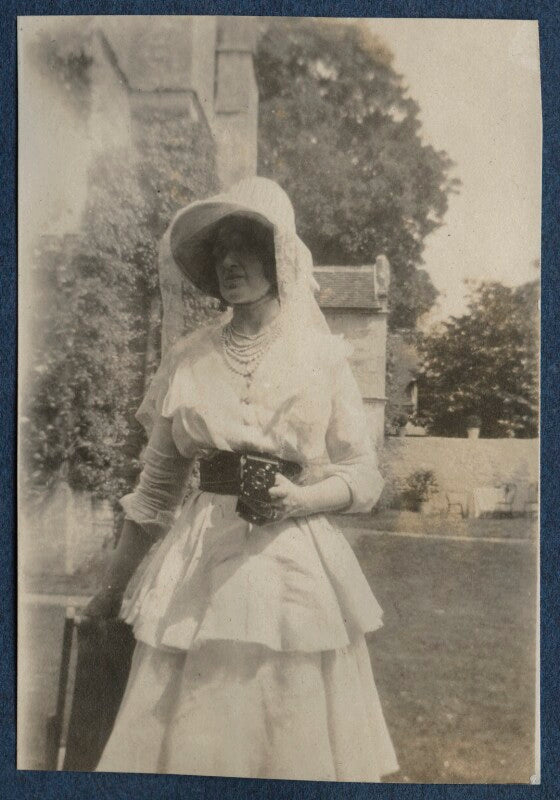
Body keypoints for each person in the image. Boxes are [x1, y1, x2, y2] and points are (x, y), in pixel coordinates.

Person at [85, 177, 399, 781]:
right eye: (220, 248)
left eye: (246, 244)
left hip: (293, 565)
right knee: (191, 736)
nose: (229, 260)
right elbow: (155, 491)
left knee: (288, 732)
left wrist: (304, 498)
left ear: (280, 256)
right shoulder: (188, 357)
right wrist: (111, 588)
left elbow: (363, 475)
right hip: (200, 561)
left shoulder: (322, 356)